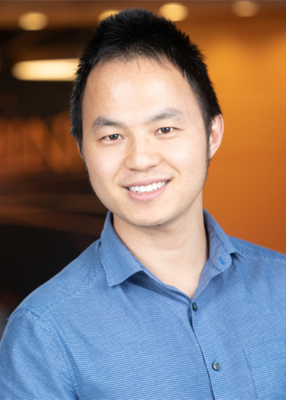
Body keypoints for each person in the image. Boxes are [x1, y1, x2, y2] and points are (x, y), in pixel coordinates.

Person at [0, 8, 286, 400]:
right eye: (112, 136)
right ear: (82, 149)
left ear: (212, 134)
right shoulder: (44, 333)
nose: (140, 159)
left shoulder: (281, 287)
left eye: (164, 129)